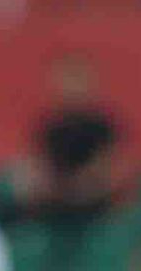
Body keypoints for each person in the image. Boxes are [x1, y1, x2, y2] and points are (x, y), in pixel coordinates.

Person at [27, 55, 124, 228]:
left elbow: (111, 165)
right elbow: (40, 165)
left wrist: (85, 184)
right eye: (67, 82)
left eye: (77, 81)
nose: (72, 89)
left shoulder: (102, 125)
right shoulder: (51, 126)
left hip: (97, 206)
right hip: (57, 204)